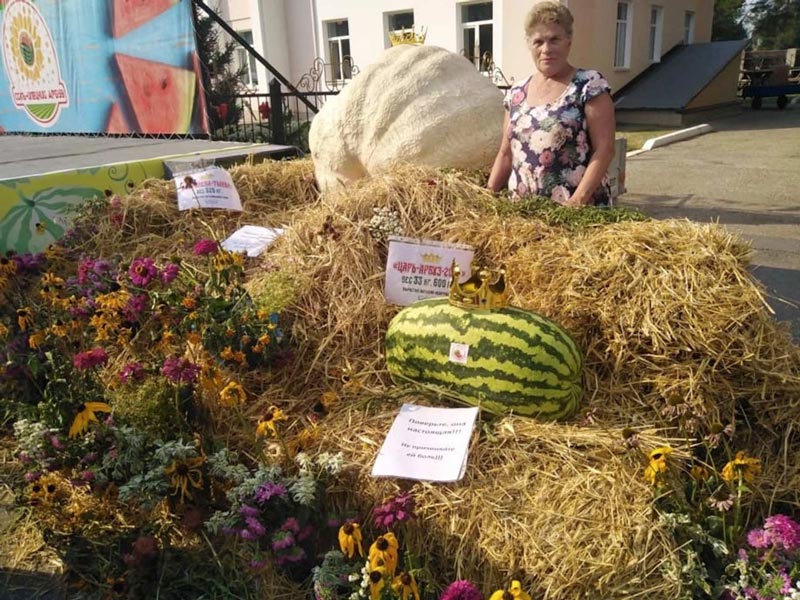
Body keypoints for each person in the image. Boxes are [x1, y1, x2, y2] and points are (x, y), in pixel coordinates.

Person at [487, 1, 616, 207]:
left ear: (568, 41)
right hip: (524, 214)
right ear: (529, 45)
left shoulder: (588, 85)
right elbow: (505, 154)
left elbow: (605, 149)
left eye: (554, 39)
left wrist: (577, 202)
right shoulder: (516, 94)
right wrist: (486, 197)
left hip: (577, 214)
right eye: (538, 42)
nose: (546, 49)